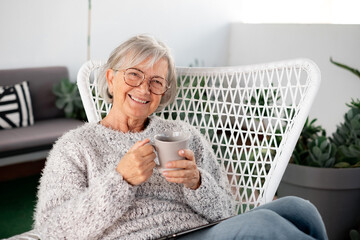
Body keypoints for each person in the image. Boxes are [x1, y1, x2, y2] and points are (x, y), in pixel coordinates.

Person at [34, 34, 328, 240]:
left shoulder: (184, 136)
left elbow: (226, 209)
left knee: (299, 208)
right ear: (111, 78)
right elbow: (53, 230)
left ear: (163, 92)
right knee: (265, 225)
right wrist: (119, 179)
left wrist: (197, 182)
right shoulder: (76, 147)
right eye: (134, 75)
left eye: (156, 81)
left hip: (200, 230)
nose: (144, 89)